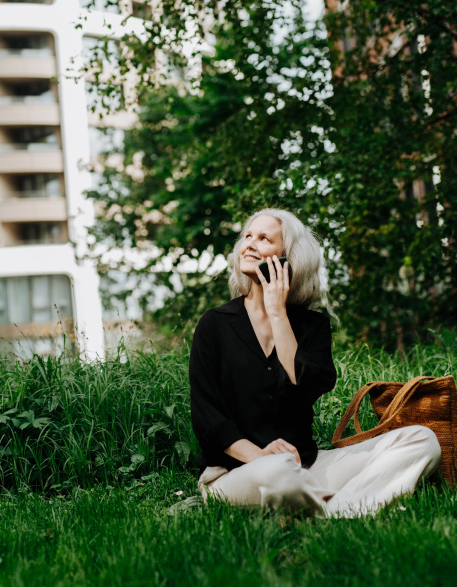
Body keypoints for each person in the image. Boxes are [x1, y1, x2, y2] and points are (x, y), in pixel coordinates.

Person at [189, 208, 441, 518]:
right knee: (276, 472)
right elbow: (207, 419)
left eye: (264, 238)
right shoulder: (214, 325)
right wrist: (260, 456)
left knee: (422, 440)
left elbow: (306, 387)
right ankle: (351, 505)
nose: (249, 244)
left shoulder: (313, 327)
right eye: (247, 236)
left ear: (289, 258)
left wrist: (278, 313)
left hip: (306, 467)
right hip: (239, 474)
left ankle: (335, 510)